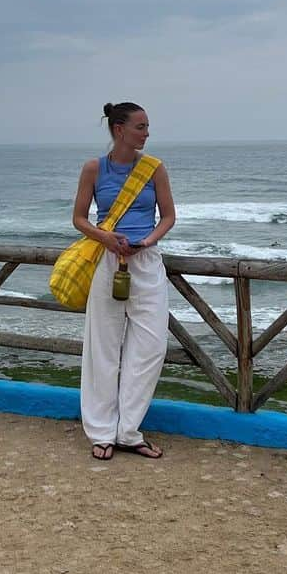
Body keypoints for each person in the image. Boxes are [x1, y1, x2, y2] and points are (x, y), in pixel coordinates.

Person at [72, 101, 176, 461]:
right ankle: (101, 432)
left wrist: (147, 241)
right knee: (103, 346)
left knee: (150, 347)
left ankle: (128, 431)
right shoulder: (93, 169)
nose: (147, 133)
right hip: (107, 260)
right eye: (141, 127)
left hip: (145, 262)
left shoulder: (154, 169)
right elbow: (79, 218)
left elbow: (168, 216)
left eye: (147, 127)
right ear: (120, 130)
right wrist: (106, 238)